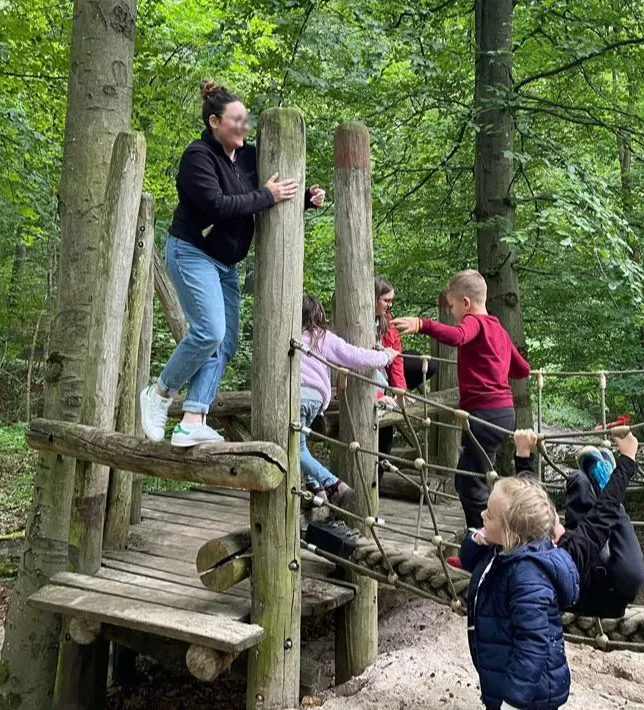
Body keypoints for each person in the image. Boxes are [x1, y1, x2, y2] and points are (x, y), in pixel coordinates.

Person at [140, 81, 325, 447]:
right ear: (214, 122)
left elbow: (264, 198)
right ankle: (159, 394)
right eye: (237, 120)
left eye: (246, 120)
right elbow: (218, 206)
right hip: (192, 252)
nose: (245, 126)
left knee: (226, 343)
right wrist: (265, 196)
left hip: (226, 264)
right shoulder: (198, 157)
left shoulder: (249, 157)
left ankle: (193, 418)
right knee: (209, 331)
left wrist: (304, 198)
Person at [459, 470, 579, 710]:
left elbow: (533, 646)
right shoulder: (503, 552)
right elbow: (467, 557)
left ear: (511, 532)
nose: (483, 514)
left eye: (490, 514)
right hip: (527, 690)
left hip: (533, 697)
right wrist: (481, 536)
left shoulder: (527, 576)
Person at [394, 269, 530, 528]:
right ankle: (485, 538)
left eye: (454, 306)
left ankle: (481, 544)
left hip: (484, 413)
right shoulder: (499, 330)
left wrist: (423, 324)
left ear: (466, 303)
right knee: (473, 477)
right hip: (504, 412)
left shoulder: (474, 322)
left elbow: (458, 336)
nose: (454, 312)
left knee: (470, 483)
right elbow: (521, 369)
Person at [510, 429, 644, 619]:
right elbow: (605, 510)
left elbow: (529, 504)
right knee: (630, 571)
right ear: (555, 538)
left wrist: (523, 455)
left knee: (579, 481)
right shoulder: (574, 549)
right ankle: (604, 482)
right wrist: (628, 458)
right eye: (557, 520)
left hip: (573, 593)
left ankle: (584, 479)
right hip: (612, 594)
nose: (559, 518)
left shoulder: (535, 547)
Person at [300, 295, 400, 508]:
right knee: (298, 444)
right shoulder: (323, 337)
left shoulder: (290, 335)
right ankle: (317, 490)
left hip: (297, 396)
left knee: (295, 447)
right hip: (315, 399)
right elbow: (357, 357)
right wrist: (386, 356)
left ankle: (334, 484)